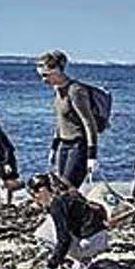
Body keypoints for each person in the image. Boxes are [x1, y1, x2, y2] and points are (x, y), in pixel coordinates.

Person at [28, 173, 109, 269]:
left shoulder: (57, 204)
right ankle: (82, 258)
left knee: (42, 234)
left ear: (43, 190)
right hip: (101, 238)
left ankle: (81, 260)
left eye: (34, 194)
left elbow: (64, 239)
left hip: (88, 244)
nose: (34, 198)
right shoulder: (70, 193)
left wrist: (52, 266)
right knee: (51, 224)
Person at [37, 50, 99, 189]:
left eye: (45, 75)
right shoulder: (57, 91)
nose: (43, 80)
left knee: (68, 188)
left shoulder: (76, 91)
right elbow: (60, 122)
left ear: (57, 70)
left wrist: (92, 156)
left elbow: (89, 123)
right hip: (63, 145)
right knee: (59, 187)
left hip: (78, 146)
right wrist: (54, 148)